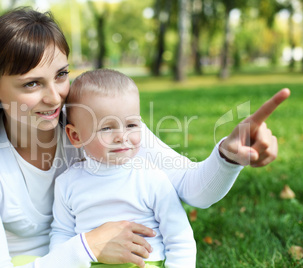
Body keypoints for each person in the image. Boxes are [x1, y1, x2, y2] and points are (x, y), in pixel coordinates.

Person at [0, 7, 290, 268]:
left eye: (61, 74)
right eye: (32, 84)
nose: (55, 97)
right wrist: (89, 247)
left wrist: (228, 156)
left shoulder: (104, 127)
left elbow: (194, 189)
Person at [49, 69, 197, 268]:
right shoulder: (67, 183)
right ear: (75, 136)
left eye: (131, 125)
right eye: (107, 128)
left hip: (144, 263)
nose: (121, 136)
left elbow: (179, 236)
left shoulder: (150, 178)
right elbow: (62, 233)